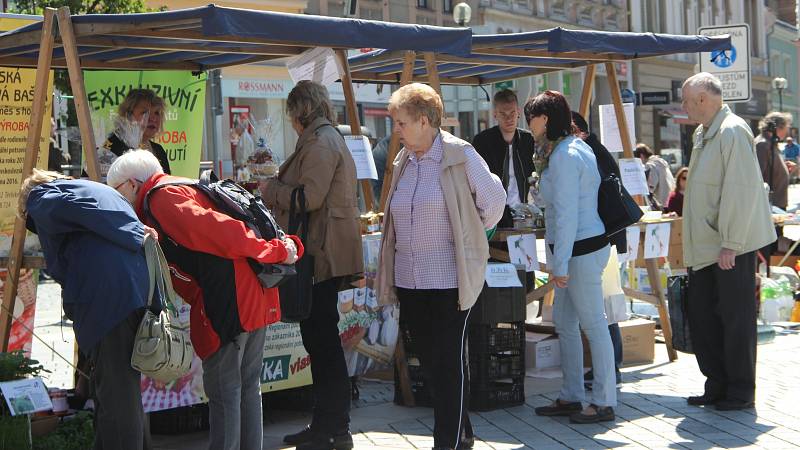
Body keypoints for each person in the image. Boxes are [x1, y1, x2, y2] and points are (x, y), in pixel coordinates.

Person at [108, 150, 301, 450]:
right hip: (251, 290)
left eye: (116, 191)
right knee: (247, 386)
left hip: (231, 298)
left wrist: (272, 250)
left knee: (226, 390)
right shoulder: (174, 189)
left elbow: (221, 232)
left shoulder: (163, 197)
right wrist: (272, 250)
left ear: (132, 184)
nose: (117, 200)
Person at [376, 83, 505, 450]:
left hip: (449, 278)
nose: (396, 130)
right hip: (411, 280)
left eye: (401, 123)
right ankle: (461, 432)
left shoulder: (458, 154)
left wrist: (471, 235)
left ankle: (445, 442)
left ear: (423, 120)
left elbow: (494, 200)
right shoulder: (405, 160)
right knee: (431, 363)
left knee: (446, 362)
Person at [20, 169, 157, 450]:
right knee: (122, 391)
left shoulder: (42, 198)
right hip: (137, 293)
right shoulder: (98, 191)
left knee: (117, 396)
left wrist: (32, 208)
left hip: (109, 304)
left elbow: (60, 265)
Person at [259, 80, 363, 450]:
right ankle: (329, 425)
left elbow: (310, 197)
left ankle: (332, 428)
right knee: (321, 341)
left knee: (322, 342)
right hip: (324, 250)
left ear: (300, 110)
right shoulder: (327, 137)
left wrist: (271, 191)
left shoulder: (320, 141)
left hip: (321, 253)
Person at [680, 72, 776, 411]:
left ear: (703, 99)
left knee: (735, 318)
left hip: (729, 245)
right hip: (706, 246)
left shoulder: (732, 130)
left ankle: (739, 390)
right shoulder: (705, 132)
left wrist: (731, 243)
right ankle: (717, 383)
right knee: (704, 316)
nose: (684, 106)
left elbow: (740, 190)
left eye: (687, 100)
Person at [525, 91, 616, 424]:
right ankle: (573, 395)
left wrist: (558, 266)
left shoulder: (562, 155)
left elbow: (565, 214)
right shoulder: (573, 148)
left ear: (544, 119)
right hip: (581, 246)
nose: (528, 124)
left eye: (530, 117)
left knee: (593, 324)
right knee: (567, 323)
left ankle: (604, 401)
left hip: (579, 248)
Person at [571, 111, 623, 388]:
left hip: (602, 238)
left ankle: (610, 370)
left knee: (602, 310)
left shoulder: (586, 152)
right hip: (607, 237)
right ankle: (611, 367)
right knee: (603, 308)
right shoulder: (592, 150)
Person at [472, 89, 536, 228]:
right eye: (503, 114)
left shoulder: (528, 140)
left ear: (518, 112)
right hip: (494, 216)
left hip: (524, 213)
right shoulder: (483, 142)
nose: (509, 118)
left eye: (512, 113)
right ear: (495, 114)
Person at [102, 89, 171, 173]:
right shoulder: (112, 146)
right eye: (145, 113)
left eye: (157, 113)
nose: (153, 118)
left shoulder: (158, 150)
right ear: (128, 116)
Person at [755, 111, 793, 210]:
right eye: (786, 127)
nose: (787, 131)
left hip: (776, 203)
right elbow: (758, 176)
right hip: (770, 205)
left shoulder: (771, 143)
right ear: (778, 127)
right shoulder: (763, 144)